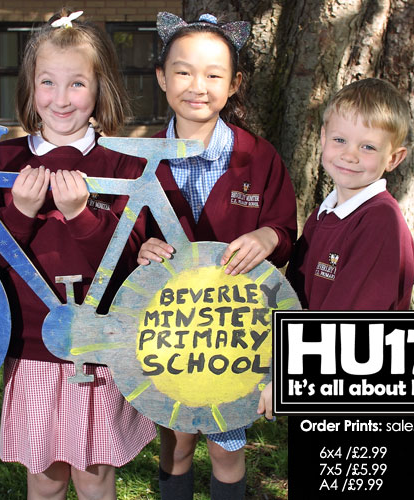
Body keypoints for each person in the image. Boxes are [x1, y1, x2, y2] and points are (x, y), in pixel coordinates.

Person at [0, 10, 156, 500]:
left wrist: (83, 215)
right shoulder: (1, 161)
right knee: (44, 478)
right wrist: (18, 213)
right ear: (29, 87)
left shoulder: (125, 164)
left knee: (95, 475)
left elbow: (132, 262)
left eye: (77, 84)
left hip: (100, 344)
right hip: (32, 345)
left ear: (100, 89)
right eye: (48, 82)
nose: (61, 99)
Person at [135, 12, 298, 500]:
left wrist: (269, 238)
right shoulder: (140, 159)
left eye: (213, 74)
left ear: (234, 84)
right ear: (163, 78)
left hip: (233, 330)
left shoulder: (259, 156)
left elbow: (286, 230)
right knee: (178, 441)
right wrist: (141, 249)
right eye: (183, 71)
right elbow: (125, 239)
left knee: (228, 447)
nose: (197, 86)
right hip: (167, 326)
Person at [285, 78, 414, 310]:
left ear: (393, 158)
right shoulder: (321, 216)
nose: (349, 155)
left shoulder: (381, 222)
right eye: (340, 140)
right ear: (324, 138)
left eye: (368, 147)